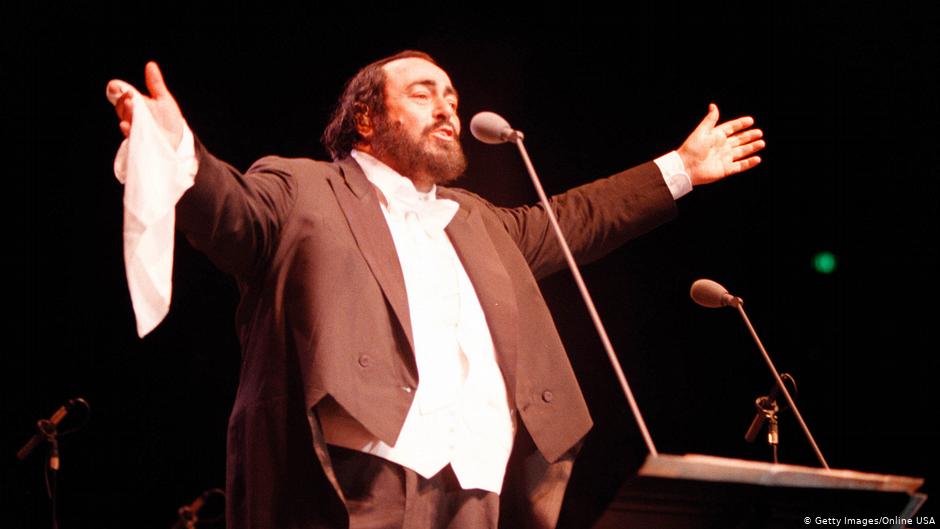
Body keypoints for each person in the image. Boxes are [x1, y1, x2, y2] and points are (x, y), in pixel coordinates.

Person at [107, 50, 764, 529]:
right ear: (366, 118)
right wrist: (176, 152)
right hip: (356, 479)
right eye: (423, 94)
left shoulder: (477, 220)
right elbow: (230, 213)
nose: (448, 107)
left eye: (451, 96)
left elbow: (578, 218)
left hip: (481, 485)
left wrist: (681, 168)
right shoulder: (303, 189)